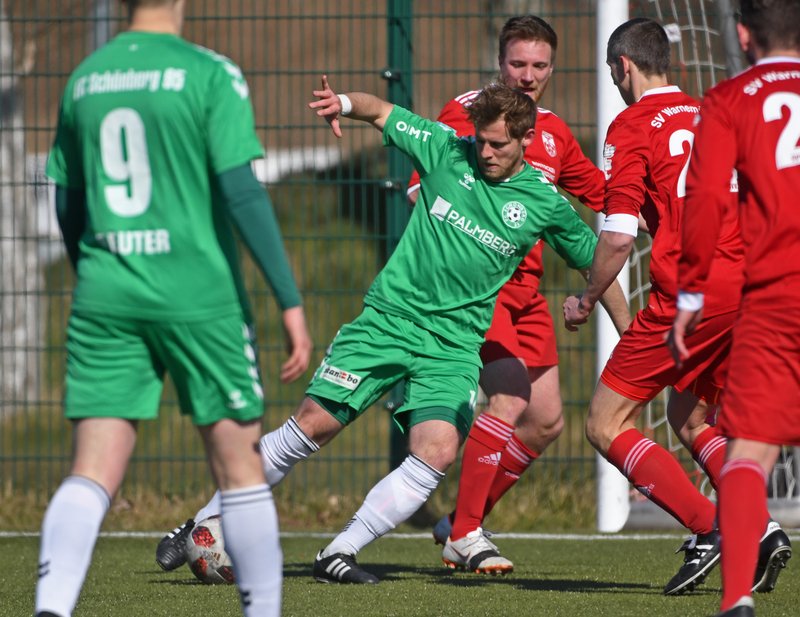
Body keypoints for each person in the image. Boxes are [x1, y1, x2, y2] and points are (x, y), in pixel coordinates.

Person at [160, 75, 630, 584]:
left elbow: (598, 261)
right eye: (481, 141)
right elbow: (381, 110)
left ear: (525, 140)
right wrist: (343, 102)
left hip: (453, 346)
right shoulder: (447, 148)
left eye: (498, 144)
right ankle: (204, 519)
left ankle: (338, 552)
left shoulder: (543, 202)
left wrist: (626, 332)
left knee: (438, 450)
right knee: (312, 426)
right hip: (388, 321)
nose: (486, 153)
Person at [35, 1, 311, 616]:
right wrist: (289, 300)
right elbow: (241, 191)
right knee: (239, 471)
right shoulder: (209, 73)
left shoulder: (86, 77)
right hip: (199, 296)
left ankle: (50, 606)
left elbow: (68, 202)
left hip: (108, 290)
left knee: (91, 470)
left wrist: (97, 274)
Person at [562, 17, 790, 597]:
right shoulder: (715, 110)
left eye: (613, 72)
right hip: (747, 288)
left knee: (604, 423)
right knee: (689, 418)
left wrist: (588, 298)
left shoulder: (631, 125)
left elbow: (617, 237)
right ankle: (761, 526)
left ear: (623, 66)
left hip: (690, 294)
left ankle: (714, 528)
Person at [407, 15, 628, 574]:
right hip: (481, 290)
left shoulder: (552, 132)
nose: (528, 76)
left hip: (528, 292)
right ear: (499, 62)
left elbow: (605, 196)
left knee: (546, 420)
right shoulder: (467, 114)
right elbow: (420, 190)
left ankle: (461, 519)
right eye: (517, 64)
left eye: (539, 65)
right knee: (509, 399)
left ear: (552, 67)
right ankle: (466, 532)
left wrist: (669, 207)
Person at [667, 0, 800, 614]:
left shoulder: (727, 100)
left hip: (776, 295)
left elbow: (704, 203)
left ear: (744, 34)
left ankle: (737, 602)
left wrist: (691, 292)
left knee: (748, 451)